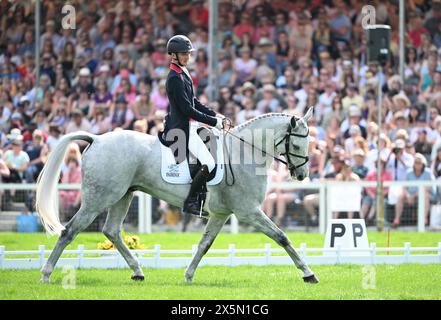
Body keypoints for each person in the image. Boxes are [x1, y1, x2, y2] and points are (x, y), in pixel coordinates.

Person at [161, 35, 226, 217]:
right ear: (173, 55)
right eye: (184, 54)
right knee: (210, 163)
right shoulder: (174, 77)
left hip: (192, 125)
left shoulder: (182, 73)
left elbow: (194, 101)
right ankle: (191, 202)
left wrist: (215, 115)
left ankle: (203, 198)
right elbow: (187, 109)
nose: (188, 57)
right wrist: (214, 122)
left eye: (188, 54)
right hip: (182, 129)